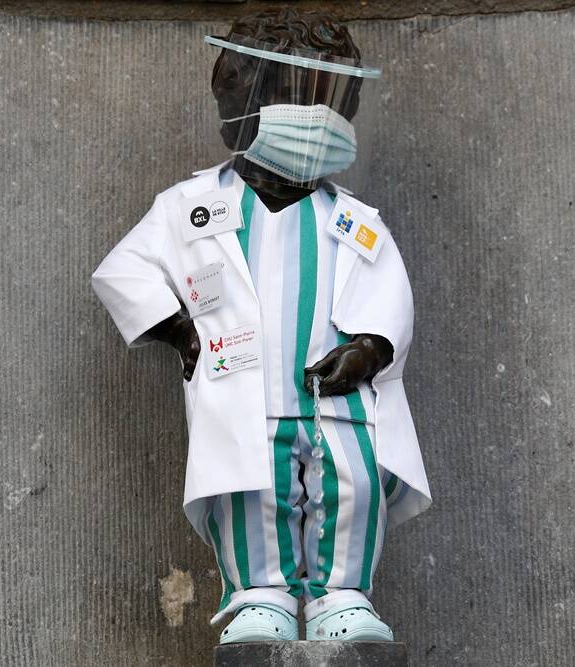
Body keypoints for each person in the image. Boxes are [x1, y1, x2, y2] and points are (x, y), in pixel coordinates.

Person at [90, 8, 431, 644]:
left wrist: (371, 346)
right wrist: (177, 328)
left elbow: (390, 292)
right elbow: (123, 271)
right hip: (241, 389)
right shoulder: (190, 207)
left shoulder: (352, 220)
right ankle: (260, 595)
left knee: (353, 485)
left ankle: (342, 596)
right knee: (249, 490)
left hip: (337, 398)